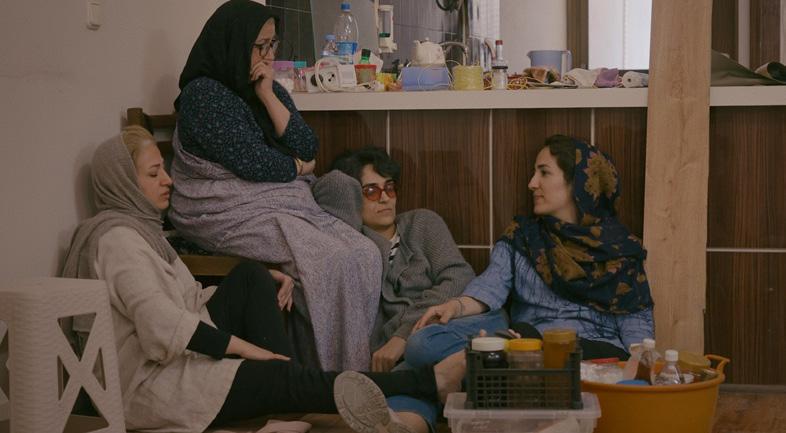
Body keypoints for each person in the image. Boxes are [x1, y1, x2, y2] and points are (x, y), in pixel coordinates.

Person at [61, 126, 464, 433]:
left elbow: (188, 299)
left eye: (164, 170)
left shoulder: (143, 233)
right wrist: (250, 351)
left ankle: (283, 399)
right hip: (151, 385)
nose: (169, 180)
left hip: (173, 354)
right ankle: (426, 382)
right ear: (124, 184)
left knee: (253, 277)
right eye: (154, 174)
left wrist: (266, 281)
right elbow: (162, 325)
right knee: (280, 374)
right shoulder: (119, 241)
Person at [168, 0, 381, 370]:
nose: (269, 56)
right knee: (330, 260)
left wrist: (267, 94)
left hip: (273, 201)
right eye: (260, 46)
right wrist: (298, 167)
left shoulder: (264, 88)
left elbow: (307, 146)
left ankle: (354, 368)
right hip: (222, 210)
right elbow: (258, 163)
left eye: (273, 44)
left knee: (365, 253)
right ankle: (325, 378)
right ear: (234, 44)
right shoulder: (203, 96)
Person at [410, 135, 655, 365]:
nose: (532, 183)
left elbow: (638, 338)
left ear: (578, 183)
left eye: (544, 173)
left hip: (596, 359)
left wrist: (638, 370)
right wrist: (454, 307)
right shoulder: (522, 237)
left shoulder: (619, 250)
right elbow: (489, 288)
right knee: (421, 345)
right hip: (528, 351)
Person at [312, 147, 475, 433]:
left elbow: (458, 276)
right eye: (371, 191)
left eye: (389, 187)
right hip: (403, 366)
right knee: (405, 399)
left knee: (422, 349)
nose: (385, 197)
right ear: (351, 197)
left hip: (445, 334)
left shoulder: (422, 223)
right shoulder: (351, 251)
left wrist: (403, 335)